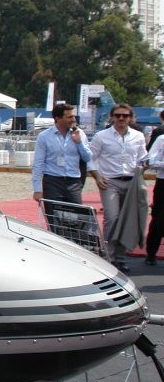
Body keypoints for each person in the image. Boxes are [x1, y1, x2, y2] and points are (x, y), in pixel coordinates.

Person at [90, 103, 147, 270]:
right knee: (112, 218)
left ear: (130, 118)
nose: (121, 118)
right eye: (118, 115)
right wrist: (97, 176)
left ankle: (120, 257)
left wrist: (143, 166)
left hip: (131, 182)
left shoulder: (138, 136)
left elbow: (142, 157)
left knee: (127, 220)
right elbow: (90, 158)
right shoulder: (101, 136)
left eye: (125, 115)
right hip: (110, 182)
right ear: (112, 117)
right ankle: (108, 255)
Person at [32, 102, 91, 206]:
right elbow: (38, 163)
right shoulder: (44, 136)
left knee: (76, 213)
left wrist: (79, 143)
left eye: (73, 116)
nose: (73, 119)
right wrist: (37, 189)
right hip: (52, 182)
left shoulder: (80, 134)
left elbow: (87, 158)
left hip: (73, 181)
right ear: (58, 118)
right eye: (69, 117)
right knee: (53, 214)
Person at [143, 132, 164, 266]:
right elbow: (150, 161)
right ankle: (151, 253)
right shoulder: (162, 139)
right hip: (163, 182)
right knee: (159, 219)